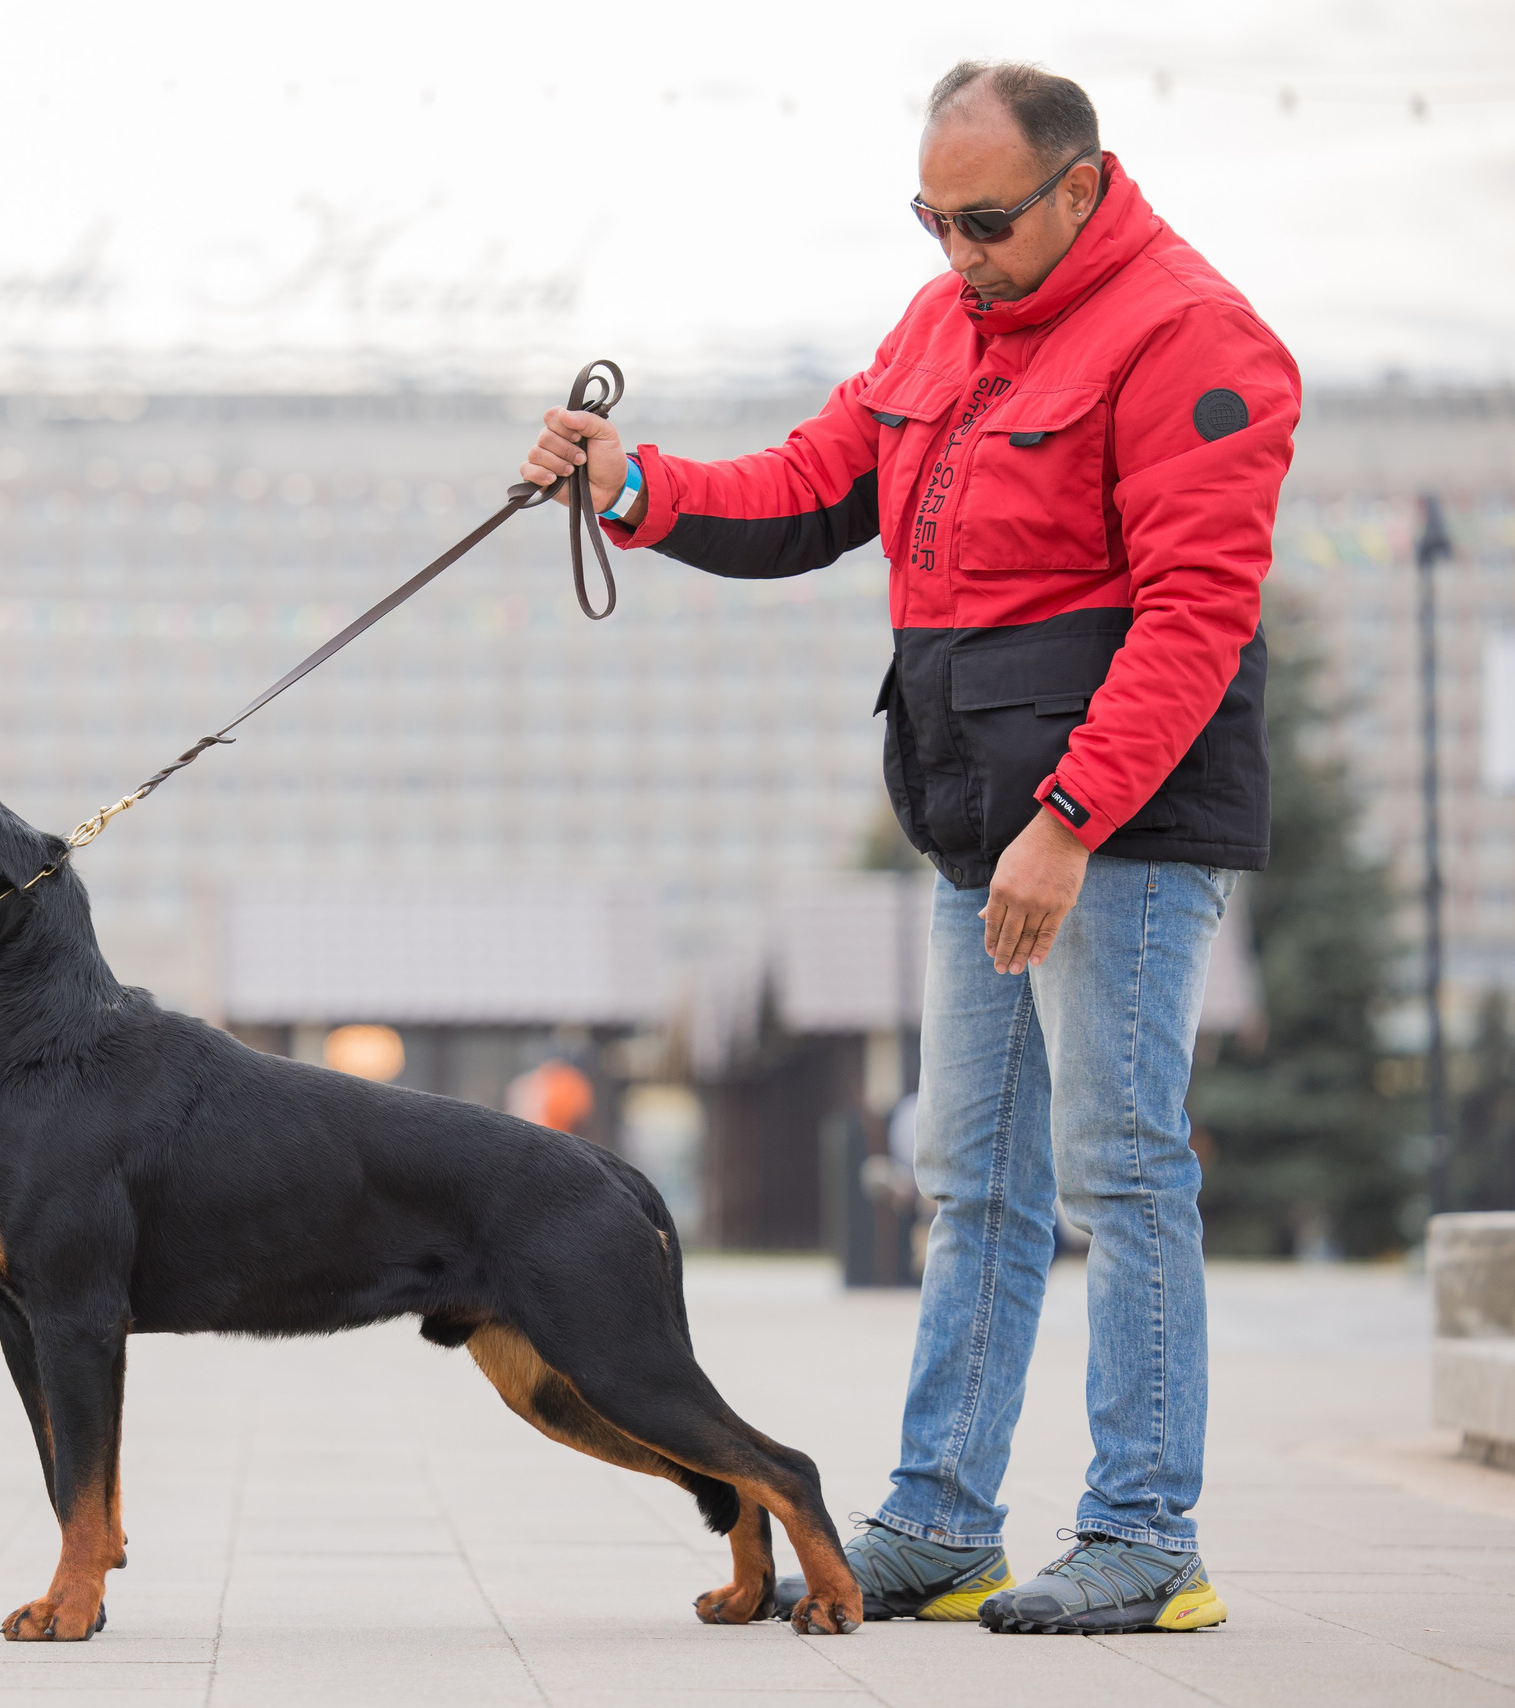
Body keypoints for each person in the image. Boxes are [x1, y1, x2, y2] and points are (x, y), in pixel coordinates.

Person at [521, 60, 1296, 1635]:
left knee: (1122, 1166)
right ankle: (942, 1524)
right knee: (972, 1178)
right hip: (974, 819)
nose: (958, 251)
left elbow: (1197, 613)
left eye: (986, 221)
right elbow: (813, 490)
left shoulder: (1192, 335)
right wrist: (637, 486)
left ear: (1082, 184)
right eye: (933, 219)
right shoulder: (942, 323)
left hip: (1121, 827)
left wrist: (1071, 822)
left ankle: (1148, 1536)